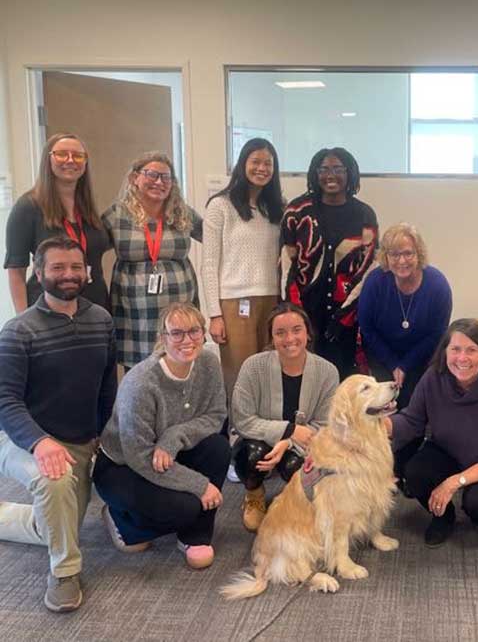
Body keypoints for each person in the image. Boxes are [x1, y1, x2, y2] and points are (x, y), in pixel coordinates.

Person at [0, 237, 116, 612]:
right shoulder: (18, 331)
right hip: (24, 440)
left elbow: (106, 388)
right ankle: (64, 572)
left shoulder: (101, 320)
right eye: (57, 268)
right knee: (55, 484)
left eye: (75, 267)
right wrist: (40, 442)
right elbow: (5, 401)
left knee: (57, 523)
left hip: (81, 441)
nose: (68, 275)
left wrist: (103, 434)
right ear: (38, 271)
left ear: (86, 271)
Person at [93, 302, 229, 570]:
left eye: (194, 331)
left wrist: (174, 436)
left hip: (171, 453)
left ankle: (195, 535)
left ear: (203, 334)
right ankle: (122, 519)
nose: (187, 340)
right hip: (123, 466)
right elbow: (139, 457)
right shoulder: (140, 383)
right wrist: (199, 485)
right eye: (176, 333)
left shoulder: (209, 362)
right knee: (186, 506)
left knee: (219, 449)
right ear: (162, 338)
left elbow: (216, 415)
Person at [384, 319, 478, 548]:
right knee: (415, 472)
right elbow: (412, 421)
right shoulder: (433, 378)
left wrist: (453, 483)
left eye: (472, 350)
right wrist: (380, 427)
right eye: (455, 349)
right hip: (448, 452)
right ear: (445, 351)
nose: (462, 358)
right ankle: (443, 516)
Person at [230, 303, 339, 532]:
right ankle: (254, 494)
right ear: (272, 337)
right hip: (257, 441)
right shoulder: (253, 366)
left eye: (297, 329)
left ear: (308, 333)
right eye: (280, 332)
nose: (289, 338)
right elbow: (242, 419)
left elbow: (323, 425)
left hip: (300, 444)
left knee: (296, 466)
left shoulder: (328, 372)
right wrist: (289, 429)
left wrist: (288, 441)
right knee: (251, 456)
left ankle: (295, 502)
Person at [358, 223, 452, 475]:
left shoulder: (437, 284)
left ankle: (403, 464)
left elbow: (437, 333)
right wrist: (392, 364)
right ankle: (378, 461)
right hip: (381, 353)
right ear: (386, 257)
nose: (402, 260)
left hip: (422, 355)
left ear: (418, 253)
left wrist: (406, 365)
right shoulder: (376, 281)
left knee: (413, 405)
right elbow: (366, 327)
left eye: (408, 253)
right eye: (394, 254)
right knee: (382, 404)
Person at [280, 147, 378, 379]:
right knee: (304, 378)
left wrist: (344, 317)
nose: (330, 175)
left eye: (337, 168)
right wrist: (295, 314)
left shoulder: (364, 215)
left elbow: (367, 271)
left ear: (349, 173)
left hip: (345, 319)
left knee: (341, 378)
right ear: (315, 173)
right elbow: (286, 266)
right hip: (304, 314)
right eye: (323, 169)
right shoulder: (297, 212)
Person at [103, 151, 203, 368]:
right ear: (134, 178)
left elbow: (214, 238)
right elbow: (90, 248)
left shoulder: (182, 213)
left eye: (166, 177)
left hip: (180, 305)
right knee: (140, 370)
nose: (159, 182)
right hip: (135, 313)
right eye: (152, 175)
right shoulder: (117, 215)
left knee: (181, 364)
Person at [203, 138, 285, 398]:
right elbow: (208, 264)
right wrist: (215, 315)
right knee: (239, 376)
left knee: (270, 373)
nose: (262, 168)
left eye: (268, 164)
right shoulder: (220, 206)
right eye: (256, 162)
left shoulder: (277, 208)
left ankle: (268, 432)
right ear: (243, 164)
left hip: (271, 299)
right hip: (234, 303)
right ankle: (237, 434)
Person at [5, 133, 110, 313]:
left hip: (95, 309)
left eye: (78, 156)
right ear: (48, 159)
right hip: (48, 312)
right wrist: (23, 320)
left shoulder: (87, 207)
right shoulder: (28, 207)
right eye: (61, 154)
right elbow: (16, 270)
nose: (70, 160)